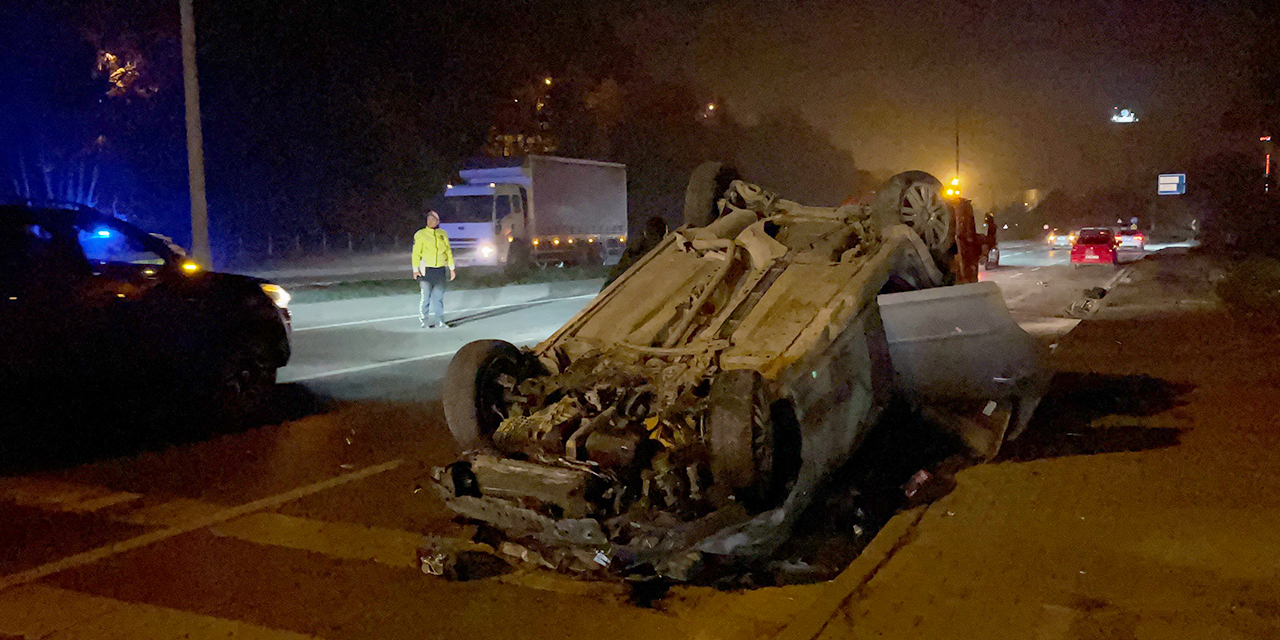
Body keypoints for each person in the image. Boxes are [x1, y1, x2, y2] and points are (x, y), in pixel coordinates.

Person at [412, 210, 455, 328]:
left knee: (438, 297)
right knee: (425, 296)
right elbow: (416, 254)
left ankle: (440, 320)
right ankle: (424, 320)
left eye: (433, 219)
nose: (431, 221)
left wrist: (452, 268)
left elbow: (448, 252)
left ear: (438, 221)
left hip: (440, 270)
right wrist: (415, 269)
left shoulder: (443, 234)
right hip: (426, 270)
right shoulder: (420, 234)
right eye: (429, 219)